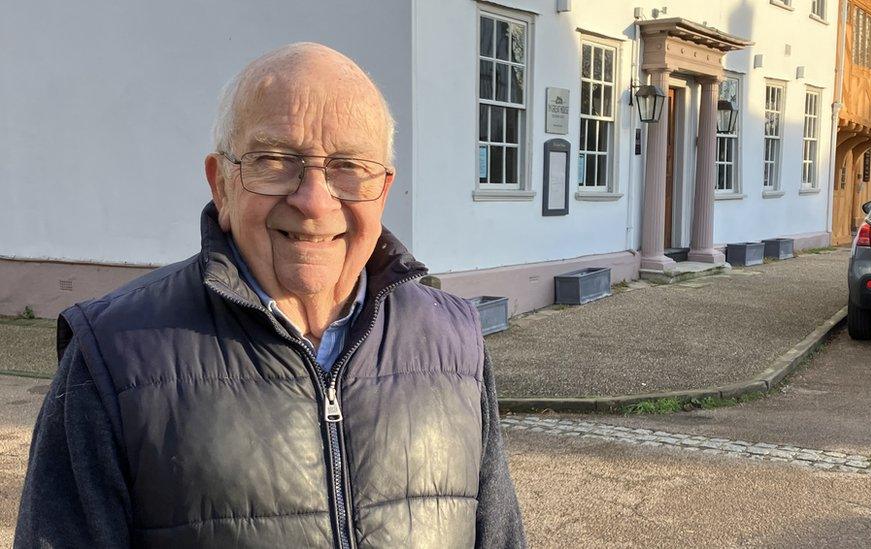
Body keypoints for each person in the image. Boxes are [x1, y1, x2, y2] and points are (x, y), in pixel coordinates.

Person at [15, 42, 524, 548]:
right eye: (275, 160)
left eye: (349, 166)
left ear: (383, 189)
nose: (314, 200)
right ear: (221, 185)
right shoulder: (112, 353)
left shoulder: (455, 342)